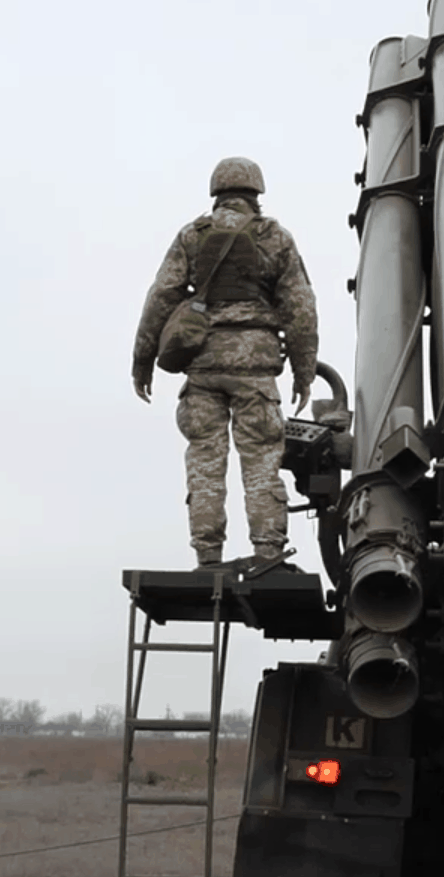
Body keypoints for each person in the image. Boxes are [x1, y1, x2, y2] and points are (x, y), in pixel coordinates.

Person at [132, 156, 319, 571]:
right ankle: (268, 554)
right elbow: (300, 307)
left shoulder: (192, 236)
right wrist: (304, 372)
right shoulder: (274, 237)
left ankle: (207, 557)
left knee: (204, 462)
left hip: (202, 366)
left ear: (216, 192)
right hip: (255, 369)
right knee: (261, 460)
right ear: (256, 193)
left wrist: (142, 360)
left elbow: (161, 296)